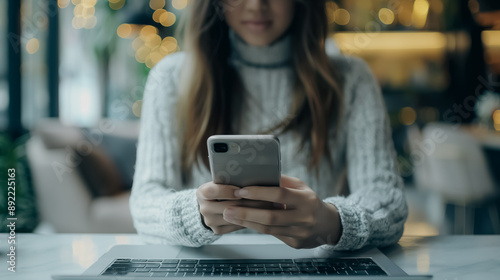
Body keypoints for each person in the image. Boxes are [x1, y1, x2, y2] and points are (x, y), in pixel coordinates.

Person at [130, 0, 408, 251]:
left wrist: (333, 222)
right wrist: (196, 215)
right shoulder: (169, 78)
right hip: (211, 266)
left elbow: (388, 202)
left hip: (315, 266)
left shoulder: (351, 79)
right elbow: (144, 205)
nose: (256, 5)